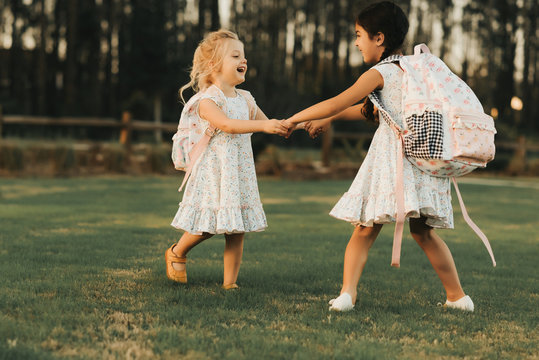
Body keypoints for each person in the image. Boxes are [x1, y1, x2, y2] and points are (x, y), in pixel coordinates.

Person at [284, 2, 474, 312]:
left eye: (360, 35)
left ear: (379, 38)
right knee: (423, 233)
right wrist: (330, 120)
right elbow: (373, 113)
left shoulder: (379, 73)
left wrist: (292, 120)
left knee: (364, 227)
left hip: (393, 164)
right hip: (423, 163)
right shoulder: (414, 69)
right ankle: (458, 298)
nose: (357, 42)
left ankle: (347, 294)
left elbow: (336, 102)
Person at [166, 30, 288, 289]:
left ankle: (229, 284)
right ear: (213, 65)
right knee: (207, 225)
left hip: (239, 173)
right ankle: (177, 252)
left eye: (243, 56)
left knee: (237, 228)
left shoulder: (245, 98)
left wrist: (299, 124)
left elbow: (269, 123)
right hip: (215, 173)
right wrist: (264, 128)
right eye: (235, 55)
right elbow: (228, 125)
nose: (243, 60)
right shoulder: (206, 100)